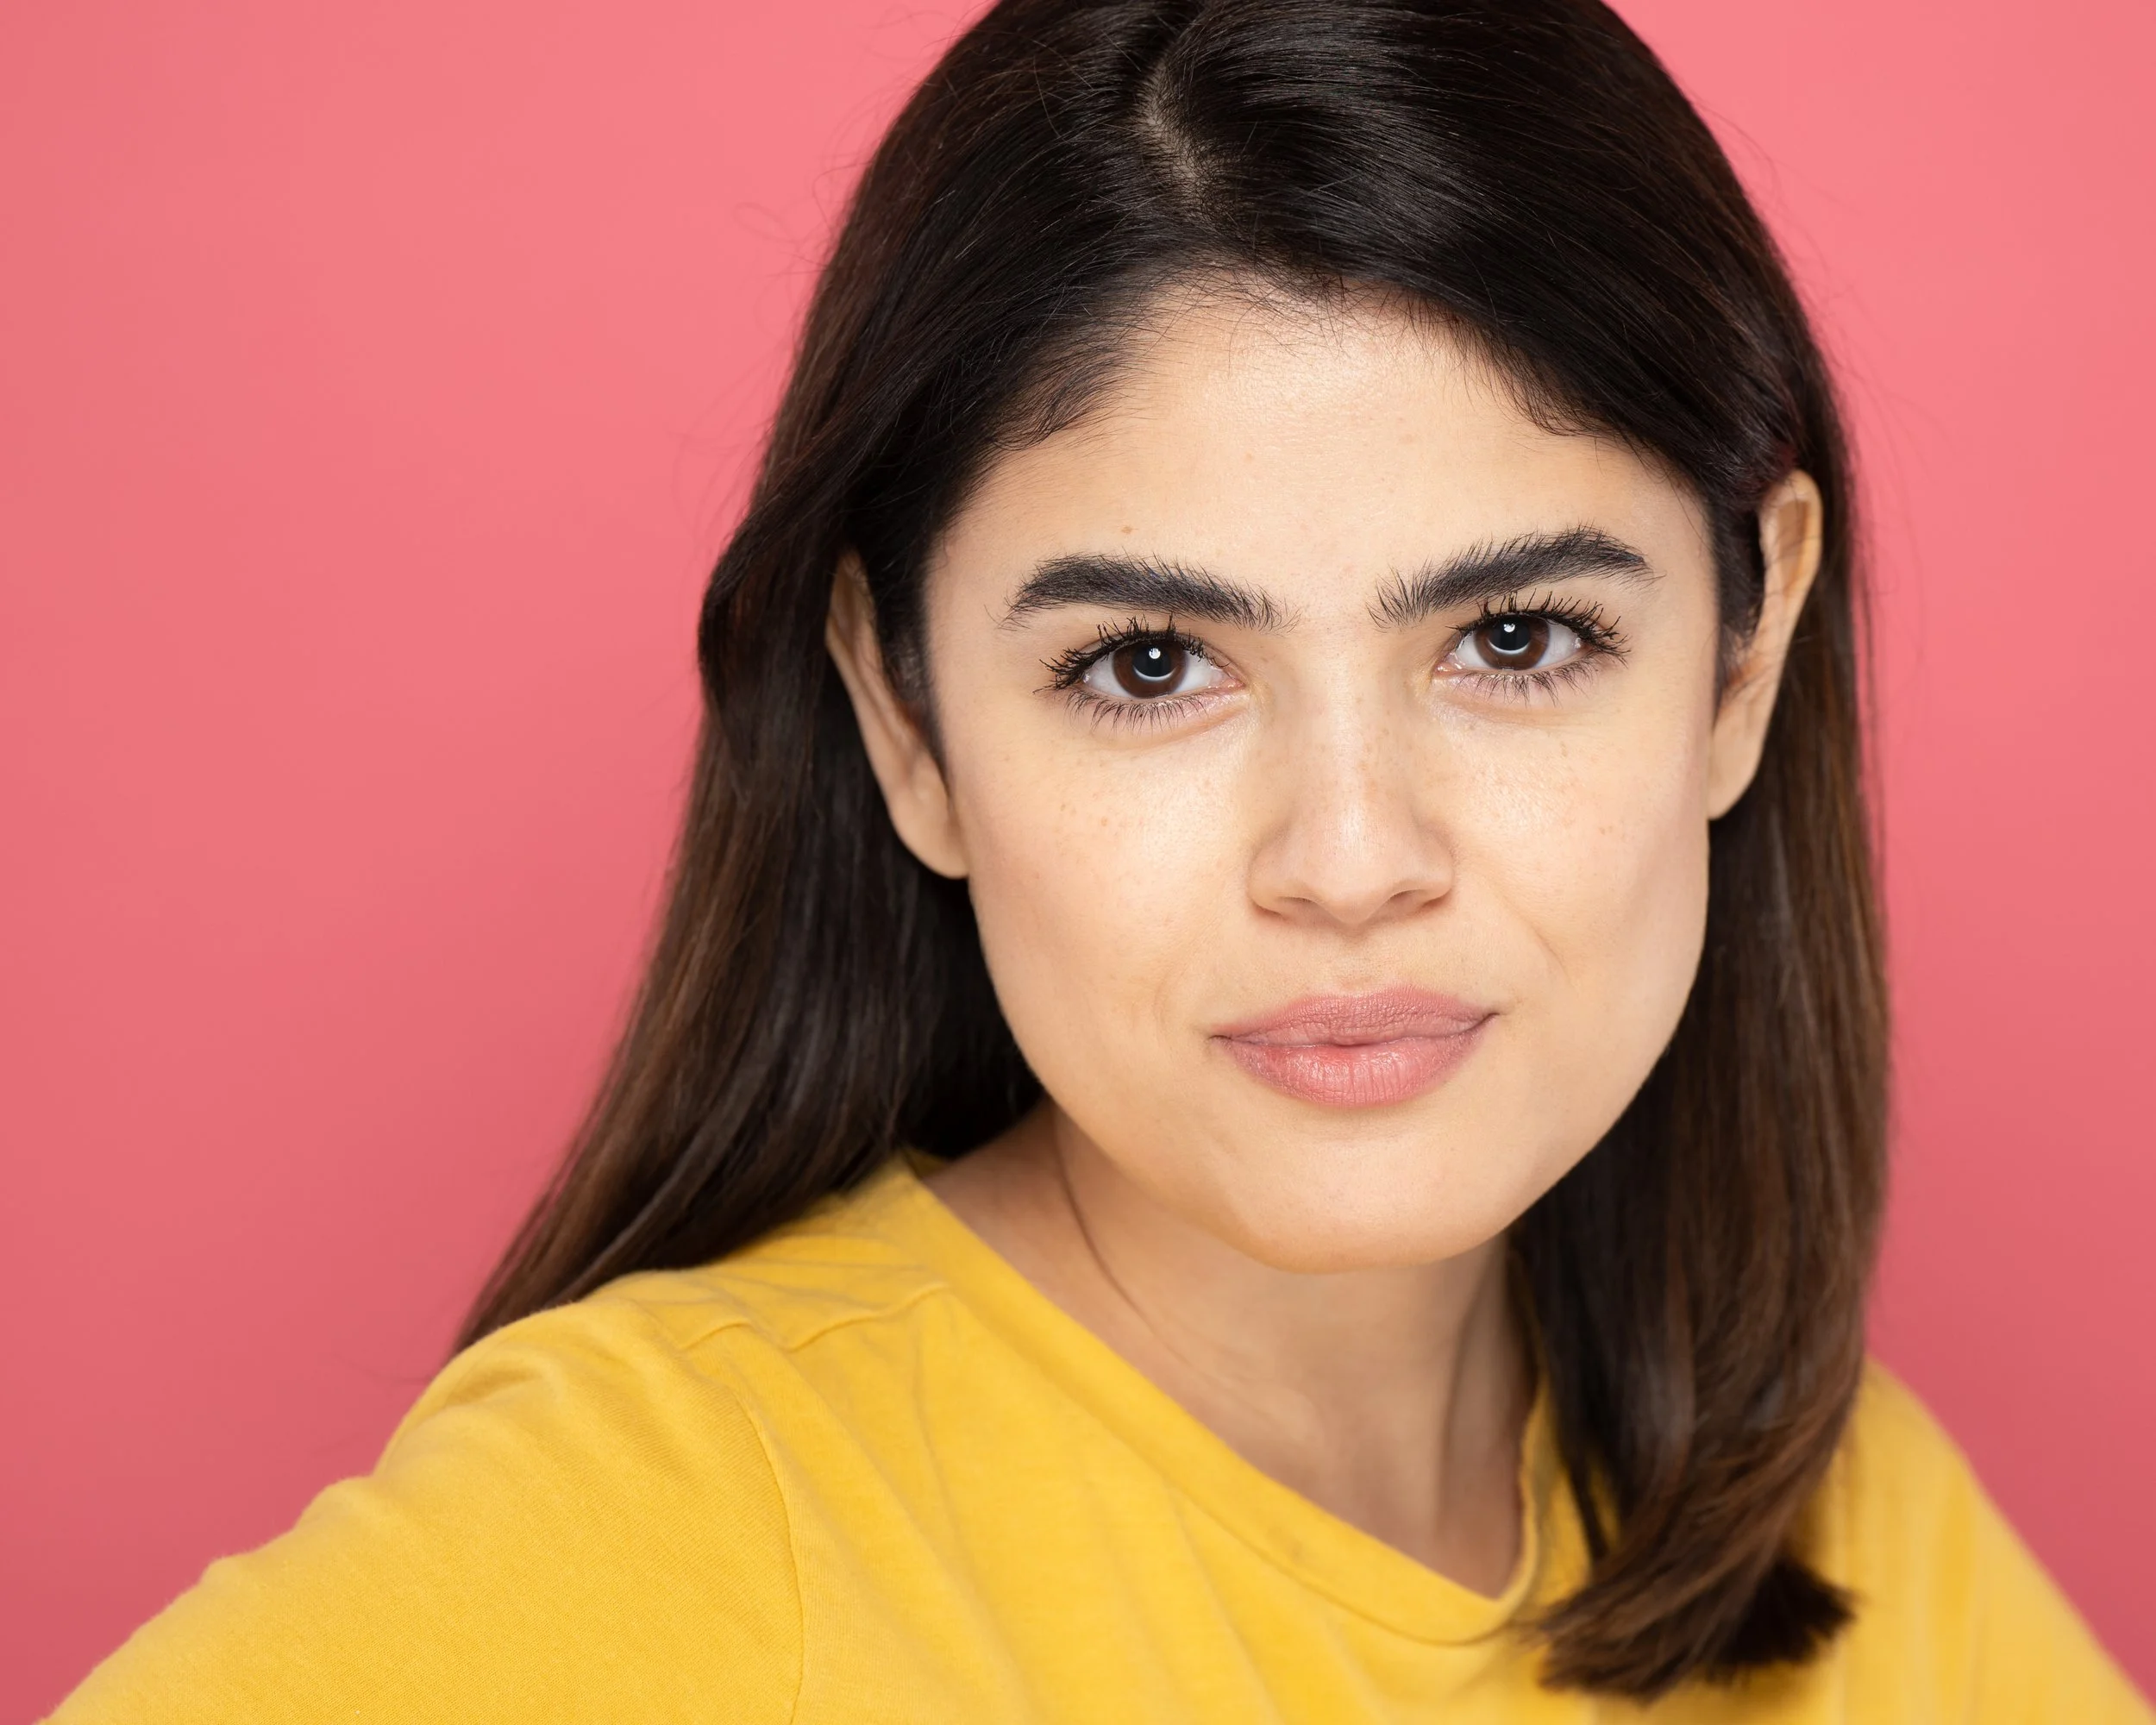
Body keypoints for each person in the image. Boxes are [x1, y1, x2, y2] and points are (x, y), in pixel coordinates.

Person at [50, 0, 2150, 1719]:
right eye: (1149, 663)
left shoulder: (1839, 1547)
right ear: (903, 712)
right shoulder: (662, 1536)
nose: (1347, 857)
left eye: (1516, 640)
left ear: (1741, 653)